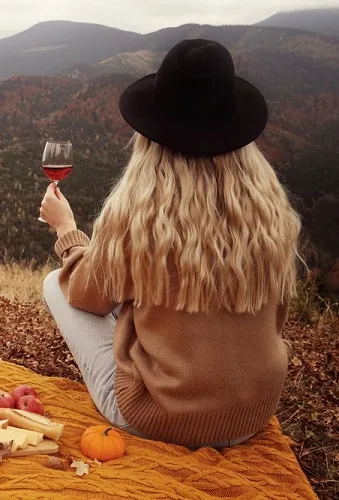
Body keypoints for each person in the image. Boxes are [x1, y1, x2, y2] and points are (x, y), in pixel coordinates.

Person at [40, 39, 301, 449]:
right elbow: (274, 321)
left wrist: (67, 232)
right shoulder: (272, 214)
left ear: (151, 135)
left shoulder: (137, 215)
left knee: (55, 282)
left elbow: (86, 295)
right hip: (251, 414)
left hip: (159, 419)